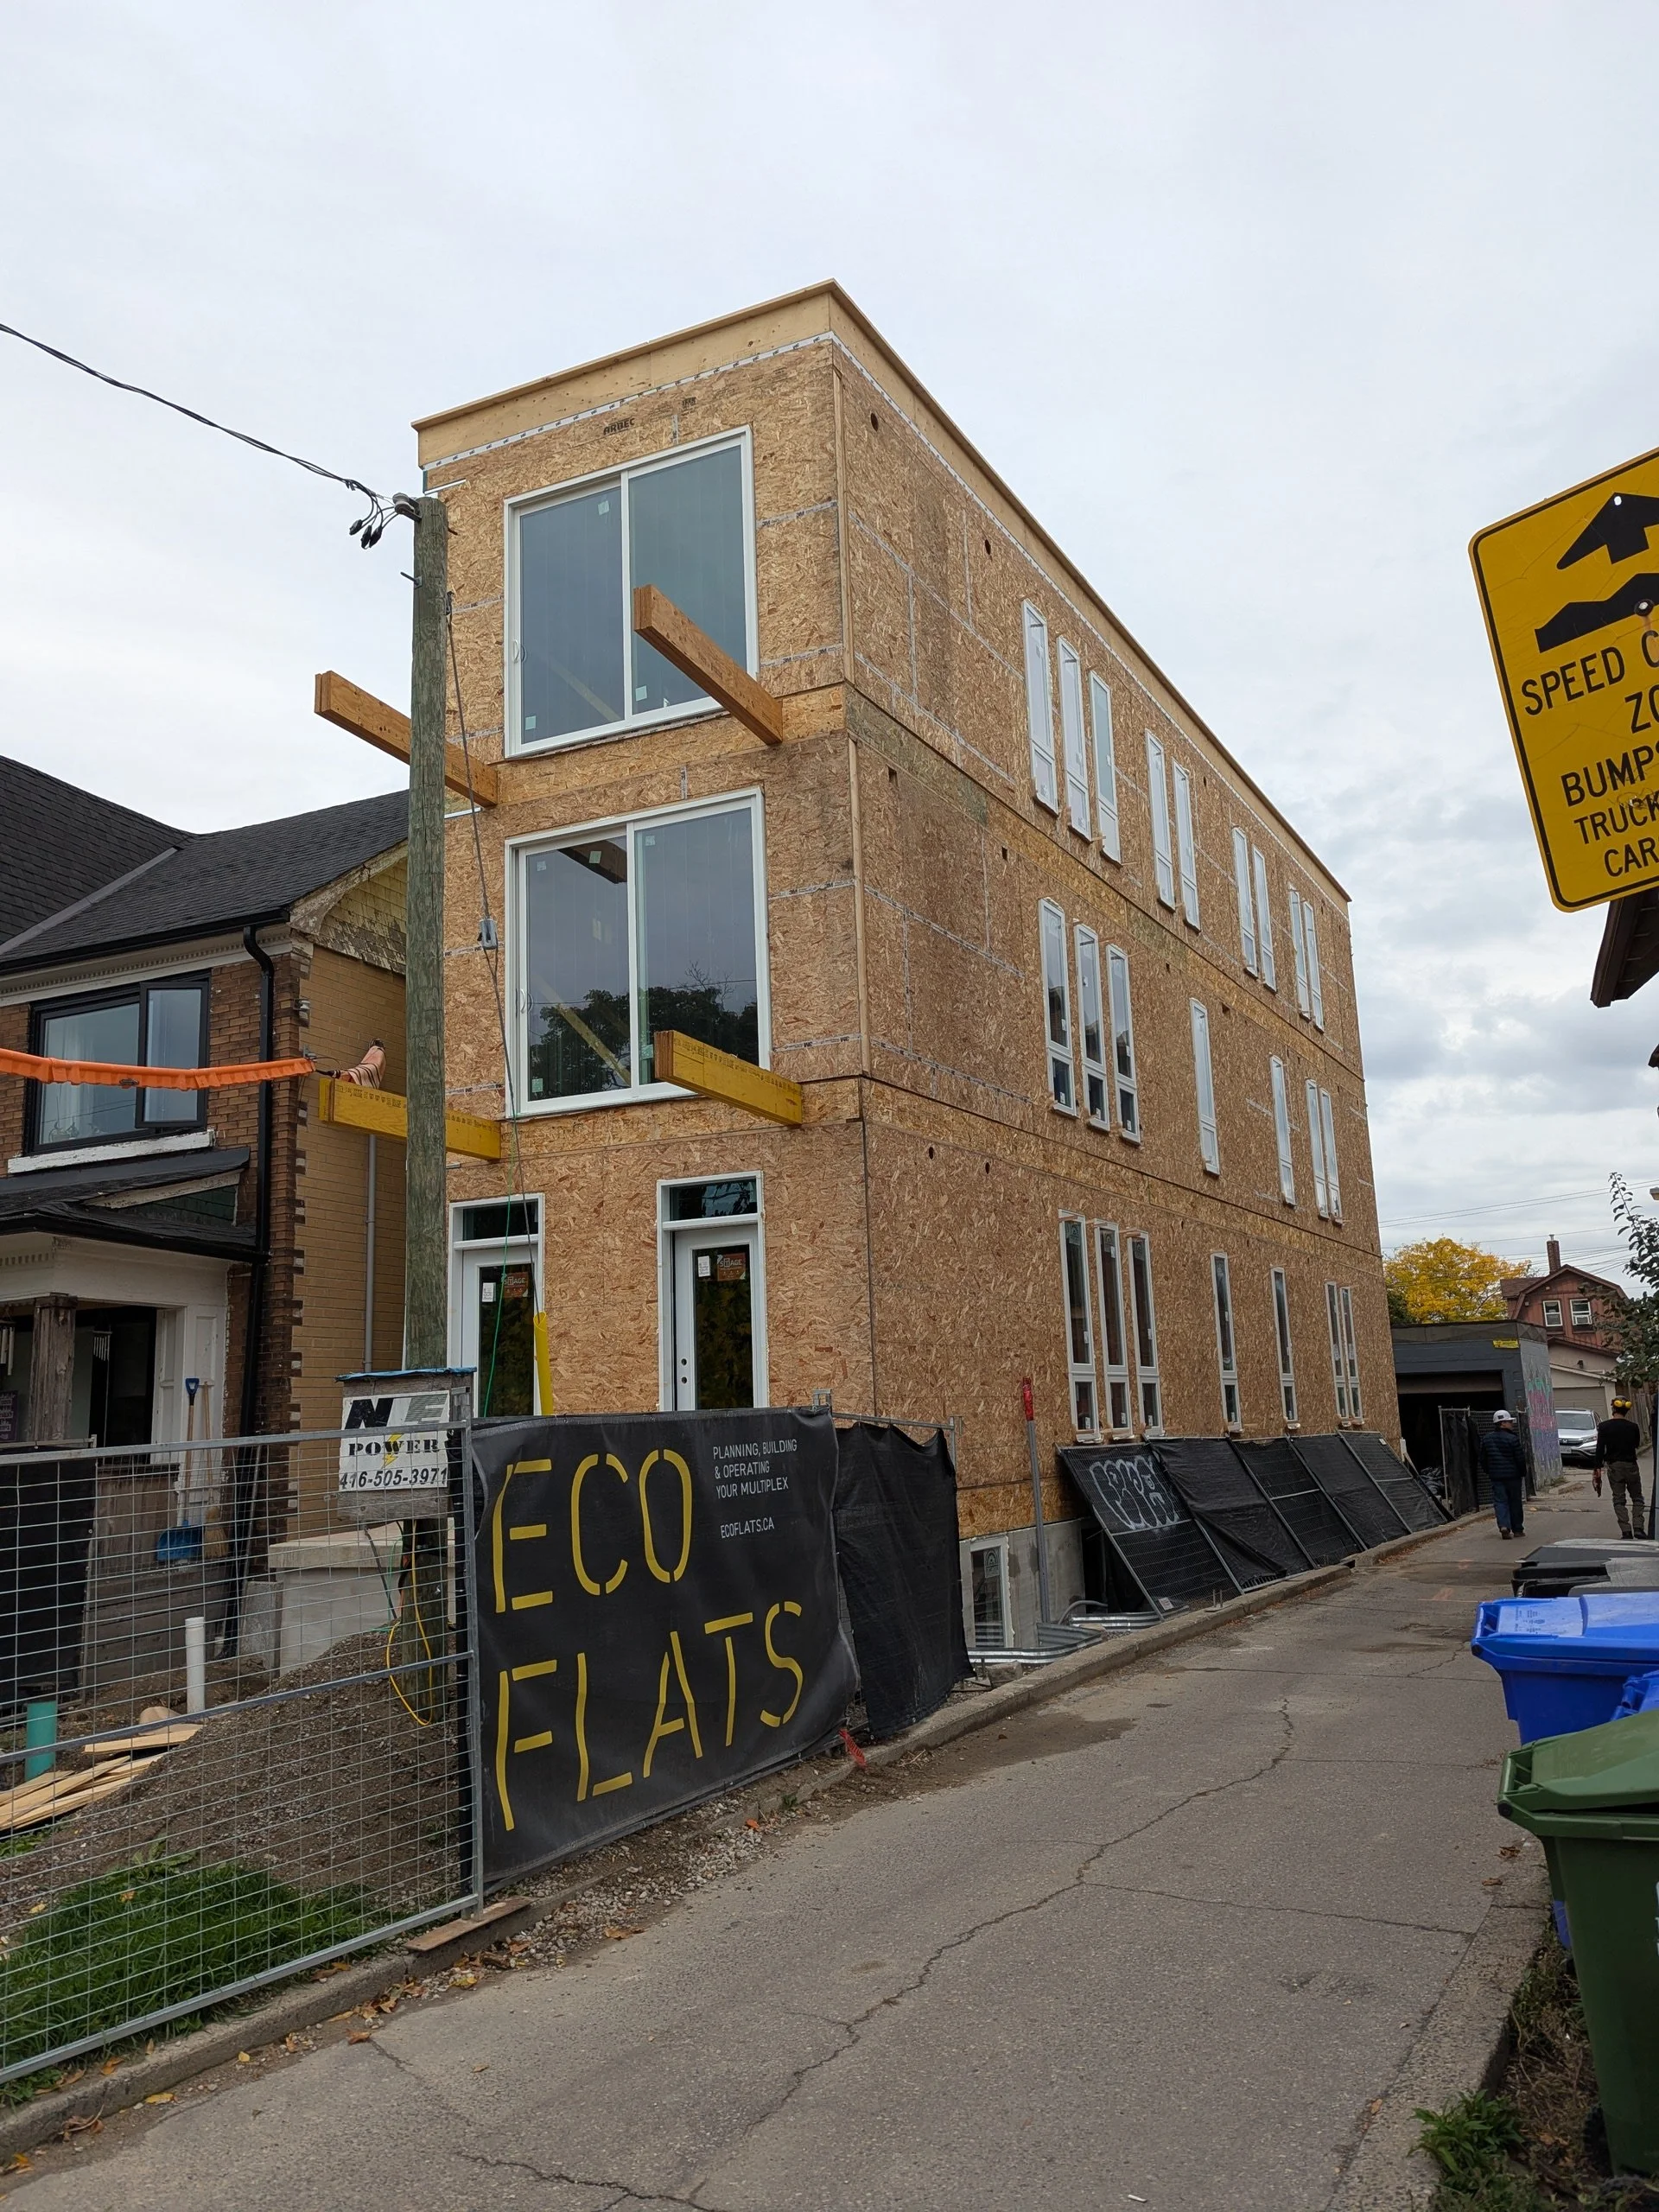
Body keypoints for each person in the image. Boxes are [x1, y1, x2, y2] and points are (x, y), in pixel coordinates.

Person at [1592, 1397, 1646, 1540]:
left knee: (1619, 1499)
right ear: (1627, 1410)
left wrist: (1597, 1467)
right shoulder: (1633, 1427)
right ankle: (1639, 1528)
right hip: (1631, 1466)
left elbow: (1599, 1449)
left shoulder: (1604, 1427)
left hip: (1614, 1466)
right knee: (1637, 1497)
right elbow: (1636, 1444)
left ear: (1613, 1409)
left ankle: (1626, 1530)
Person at [1477, 1411, 1529, 1540]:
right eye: (1509, 1422)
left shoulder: (1487, 1439)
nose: (1512, 1424)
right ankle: (1517, 1529)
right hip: (1513, 1476)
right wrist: (1522, 1472)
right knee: (1515, 1502)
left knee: (1500, 1502)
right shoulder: (1513, 1439)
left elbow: (1483, 1458)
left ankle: (1504, 1526)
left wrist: (1489, 1471)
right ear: (1502, 1423)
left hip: (1496, 1477)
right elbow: (1520, 1459)